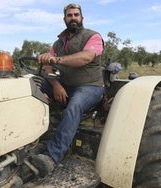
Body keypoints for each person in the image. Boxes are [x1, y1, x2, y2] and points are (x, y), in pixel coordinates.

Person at [31, 3, 104, 177]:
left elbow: (85, 57)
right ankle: (29, 136)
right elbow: (48, 68)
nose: (73, 18)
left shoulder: (93, 36)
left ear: (81, 18)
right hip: (64, 85)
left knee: (74, 106)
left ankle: (51, 157)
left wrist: (56, 60)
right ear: (64, 19)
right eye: (69, 15)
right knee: (30, 86)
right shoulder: (57, 43)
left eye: (76, 15)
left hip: (90, 87)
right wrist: (55, 85)